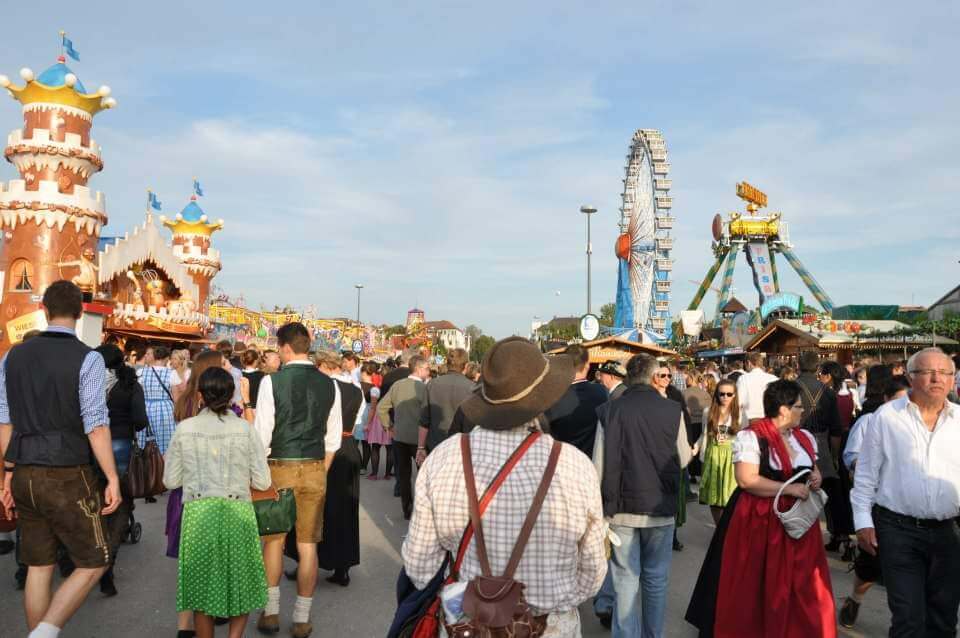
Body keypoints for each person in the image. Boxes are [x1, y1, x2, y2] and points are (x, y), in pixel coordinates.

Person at [402, 337, 607, 636]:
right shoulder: (575, 466)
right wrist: (552, 601)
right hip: (550, 626)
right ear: (544, 397)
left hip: (468, 624)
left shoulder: (444, 457)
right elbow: (592, 572)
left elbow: (420, 566)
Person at [0, 280, 121, 638]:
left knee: (38, 565)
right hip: (68, 472)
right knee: (94, 561)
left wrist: (6, 473)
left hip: (24, 469)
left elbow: (5, 420)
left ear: (45, 310)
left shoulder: (12, 356)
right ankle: (44, 634)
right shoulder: (88, 358)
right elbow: (96, 425)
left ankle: (39, 631)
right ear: (80, 312)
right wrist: (111, 477)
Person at [686, 379, 836, 637]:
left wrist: (816, 477)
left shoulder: (804, 437)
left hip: (799, 523)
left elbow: (812, 468)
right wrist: (788, 489)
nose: (804, 411)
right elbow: (747, 480)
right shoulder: (752, 437)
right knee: (756, 582)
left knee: (803, 584)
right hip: (759, 519)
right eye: (799, 406)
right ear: (784, 410)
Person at [850, 348, 960, 638]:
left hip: (949, 532)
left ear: (952, 380)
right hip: (898, 530)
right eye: (927, 372)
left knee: (943, 619)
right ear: (910, 377)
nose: (936, 378)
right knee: (908, 618)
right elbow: (866, 474)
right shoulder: (886, 417)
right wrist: (863, 521)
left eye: (944, 373)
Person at [163, 367, 270, 638]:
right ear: (231, 395)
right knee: (240, 585)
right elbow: (262, 481)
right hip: (238, 512)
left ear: (200, 396)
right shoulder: (245, 430)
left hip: (199, 514)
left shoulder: (185, 429)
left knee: (201, 589)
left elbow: (170, 480)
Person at [253, 322, 342, 638]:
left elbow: (262, 435)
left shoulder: (271, 383)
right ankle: (302, 618)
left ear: (285, 347)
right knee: (308, 545)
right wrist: (320, 469)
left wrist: (257, 475)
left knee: (274, 540)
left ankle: (271, 611)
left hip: (279, 465)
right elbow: (333, 440)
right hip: (315, 466)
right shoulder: (330, 384)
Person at [602, 353, 692, 637]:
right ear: (655, 376)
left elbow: (598, 464)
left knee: (625, 578)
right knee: (655, 578)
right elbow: (684, 457)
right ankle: (653, 634)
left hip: (621, 506)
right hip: (659, 506)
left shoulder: (610, 410)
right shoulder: (672, 410)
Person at [838, 372, 908, 629]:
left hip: (912, 510)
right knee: (871, 563)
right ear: (886, 398)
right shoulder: (870, 420)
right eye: (898, 399)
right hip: (880, 504)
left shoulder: (923, 422)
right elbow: (852, 457)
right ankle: (855, 599)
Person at [169, 350, 227, 638]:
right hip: (214, 488)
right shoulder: (222, 406)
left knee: (187, 559)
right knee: (213, 555)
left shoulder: (183, 400)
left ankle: (184, 625)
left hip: (184, 488)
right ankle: (212, 610)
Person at [94, 343, 148, 597]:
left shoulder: (90, 384)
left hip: (91, 447)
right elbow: (140, 420)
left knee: (94, 501)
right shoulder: (130, 384)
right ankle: (108, 564)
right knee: (120, 503)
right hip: (120, 445)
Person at [315, 351, 363, 587]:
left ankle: (314, 560)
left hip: (327, 448)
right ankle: (343, 566)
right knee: (346, 507)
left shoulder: (326, 388)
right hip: (349, 446)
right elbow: (357, 421)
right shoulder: (357, 390)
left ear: (326, 366)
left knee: (320, 506)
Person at [377, 354, 430, 520]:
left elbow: (381, 407)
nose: (429, 372)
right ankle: (422, 510)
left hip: (399, 437)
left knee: (404, 475)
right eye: (427, 368)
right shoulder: (425, 389)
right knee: (423, 476)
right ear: (419, 369)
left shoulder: (397, 385)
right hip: (419, 440)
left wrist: (388, 426)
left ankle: (407, 510)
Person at [816, 360, 856, 559]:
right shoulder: (848, 393)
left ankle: (844, 538)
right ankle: (839, 536)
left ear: (828, 376)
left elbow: (835, 428)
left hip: (835, 444)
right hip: (846, 441)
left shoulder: (829, 396)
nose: (820, 377)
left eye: (822, 374)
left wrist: (833, 455)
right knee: (840, 495)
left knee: (834, 495)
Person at [545, 345, 613, 458]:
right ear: (587, 365)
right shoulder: (602, 393)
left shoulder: (552, 396)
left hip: (559, 464)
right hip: (592, 463)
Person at [695, 380, 746, 524]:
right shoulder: (708, 411)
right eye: (721, 393)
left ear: (734, 395)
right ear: (716, 394)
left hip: (731, 458)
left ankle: (728, 530)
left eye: (729, 394)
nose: (725, 397)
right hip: (713, 456)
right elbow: (703, 434)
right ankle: (720, 529)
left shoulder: (741, 414)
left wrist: (731, 440)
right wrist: (696, 447)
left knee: (730, 498)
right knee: (714, 498)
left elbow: (746, 438)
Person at [424, 348, 474, 451]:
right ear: (465, 366)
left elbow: (424, 420)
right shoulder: (472, 388)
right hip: (460, 446)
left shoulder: (432, 384)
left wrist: (420, 447)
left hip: (435, 444)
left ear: (447, 364)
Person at [138, 345, 182, 460]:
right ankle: (163, 471)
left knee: (146, 440)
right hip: (165, 409)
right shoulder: (172, 373)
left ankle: (148, 468)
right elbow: (176, 398)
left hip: (146, 408)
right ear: (166, 358)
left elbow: (140, 394)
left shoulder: (142, 372)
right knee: (166, 441)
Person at [363, 363, 393, 480]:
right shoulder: (393, 388)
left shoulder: (376, 389)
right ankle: (387, 474)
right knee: (389, 448)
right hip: (389, 416)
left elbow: (373, 407)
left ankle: (374, 474)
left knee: (375, 446)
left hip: (377, 418)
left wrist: (368, 423)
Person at [682, 371, 711, 479]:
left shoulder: (683, 393)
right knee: (701, 449)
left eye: (687, 377)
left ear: (691, 378)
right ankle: (700, 473)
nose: (685, 379)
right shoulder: (705, 394)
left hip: (689, 424)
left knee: (691, 448)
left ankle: (692, 474)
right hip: (702, 424)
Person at [735, 352, 778, 422]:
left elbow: (738, 402)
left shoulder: (743, 379)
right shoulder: (774, 378)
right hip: (770, 421)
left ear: (748, 363)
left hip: (750, 422)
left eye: (745, 364)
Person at [240, 349, 264, 423]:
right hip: (258, 409)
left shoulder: (239, 375)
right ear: (256, 360)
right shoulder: (262, 375)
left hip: (242, 409)